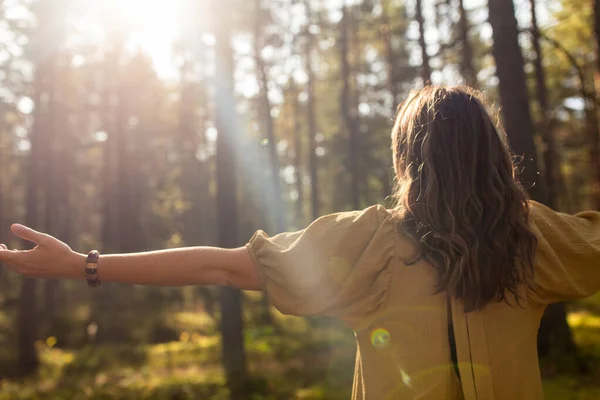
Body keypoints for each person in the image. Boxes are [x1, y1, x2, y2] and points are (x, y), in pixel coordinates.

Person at [1, 85, 599, 400]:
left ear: (409, 161)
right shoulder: (535, 240)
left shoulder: (373, 243)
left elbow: (224, 268)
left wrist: (83, 265)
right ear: (492, 157)